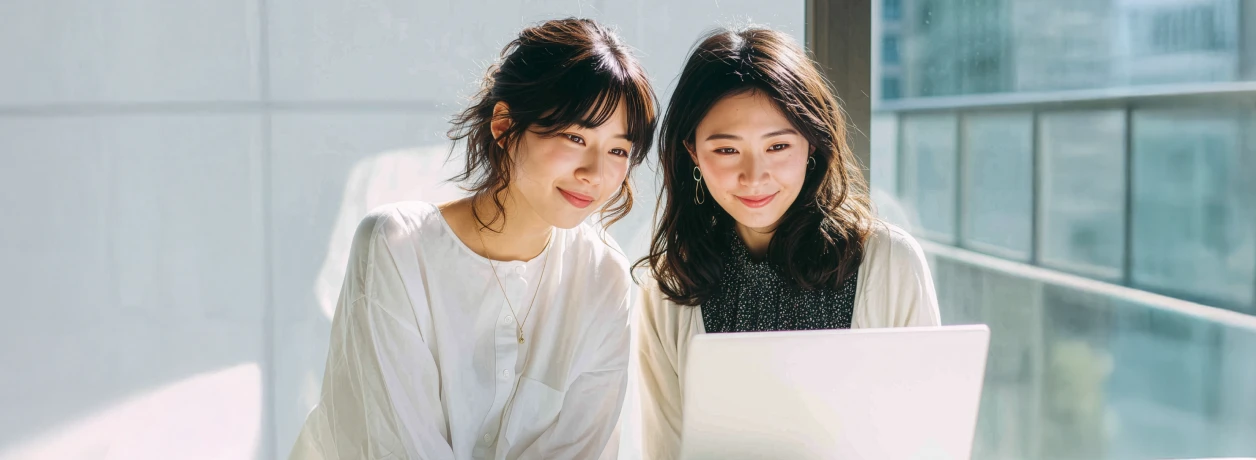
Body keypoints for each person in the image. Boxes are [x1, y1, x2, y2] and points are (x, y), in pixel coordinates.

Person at [290, 18, 657, 460]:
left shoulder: (602, 274)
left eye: (618, 150)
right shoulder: (396, 246)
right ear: (504, 125)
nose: (595, 173)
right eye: (575, 137)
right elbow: (398, 444)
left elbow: (579, 446)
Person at [631, 27, 942, 458]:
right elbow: (666, 450)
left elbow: (927, 438)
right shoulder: (669, 287)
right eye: (726, 151)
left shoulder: (890, 262)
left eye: (777, 146)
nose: (754, 177)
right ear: (693, 153)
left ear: (811, 143)